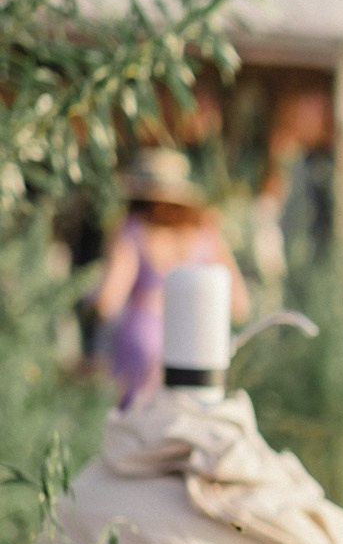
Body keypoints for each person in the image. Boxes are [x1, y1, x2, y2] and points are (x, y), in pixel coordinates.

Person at [92, 148, 250, 407]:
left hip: (145, 336)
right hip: (197, 339)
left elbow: (108, 301)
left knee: (139, 429)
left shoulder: (132, 230)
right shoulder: (206, 233)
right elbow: (240, 305)